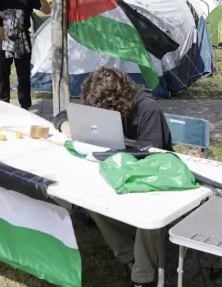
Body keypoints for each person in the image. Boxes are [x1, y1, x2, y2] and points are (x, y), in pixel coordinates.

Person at [53, 67, 172, 287]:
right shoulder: (98, 100)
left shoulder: (148, 109)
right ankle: (128, 257)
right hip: (115, 174)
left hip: (151, 181)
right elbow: (62, 115)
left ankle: (142, 277)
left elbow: (152, 158)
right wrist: (66, 124)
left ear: (120, 105)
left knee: (150, 212)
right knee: (89, 198)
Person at [0, 0, 50, 109]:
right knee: (3, 73)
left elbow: (47, 10)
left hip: (23, 37)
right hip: (4, 37)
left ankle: (25, 106)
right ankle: (4, 104)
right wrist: (7, 18)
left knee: (23, 74)